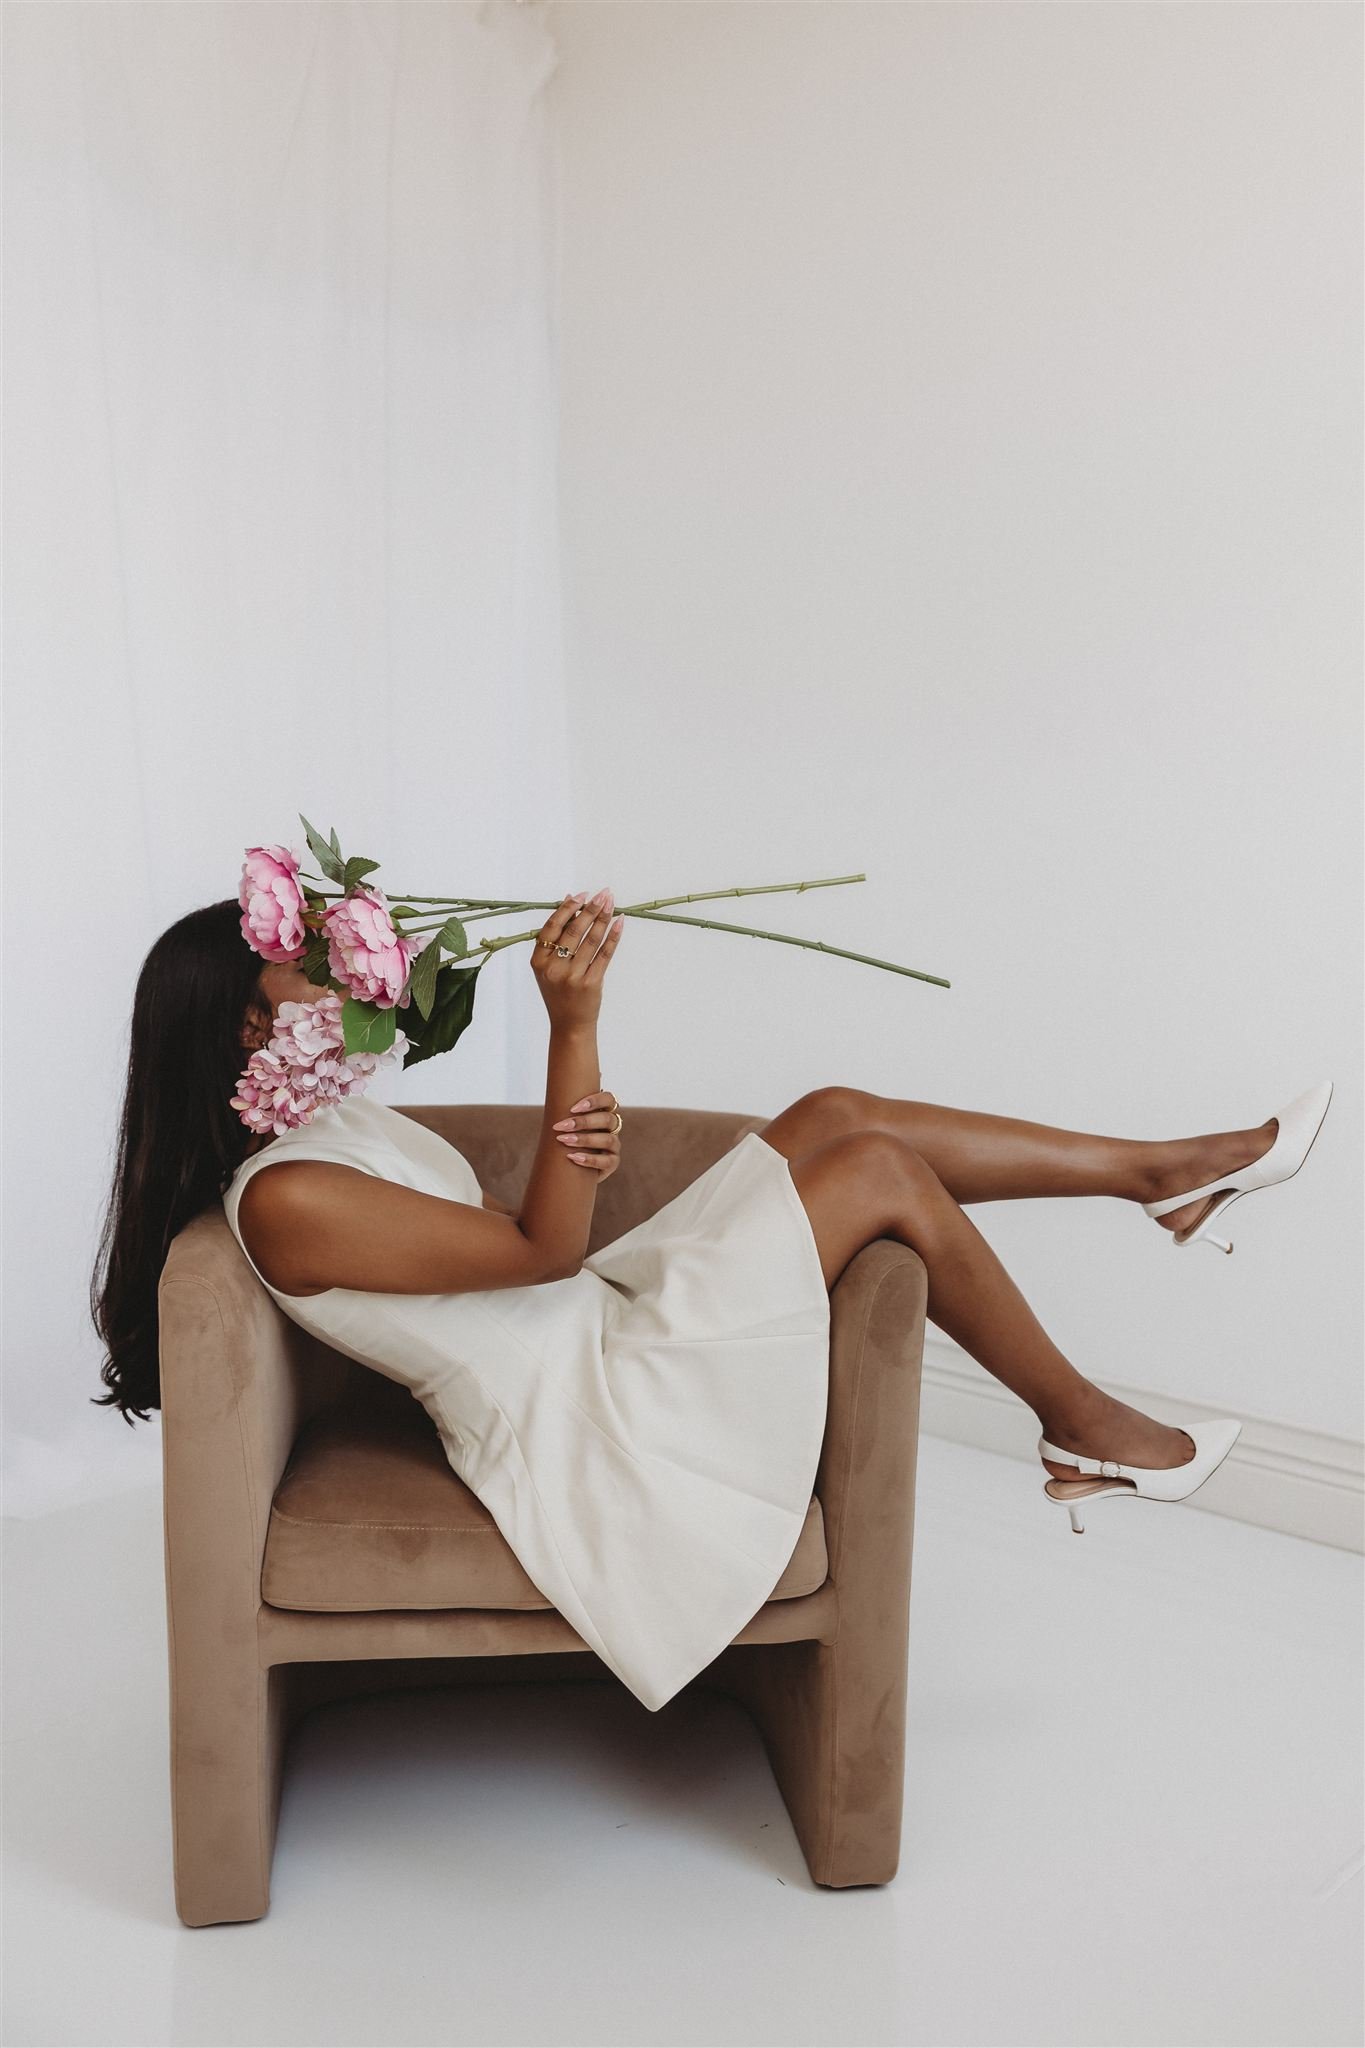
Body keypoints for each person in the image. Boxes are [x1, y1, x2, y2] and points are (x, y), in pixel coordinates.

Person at [91, 886, 1332, 1711]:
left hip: (589, 1320)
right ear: (250, 1033)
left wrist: (573, 1063)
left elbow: (531, 1246)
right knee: (878, 1169)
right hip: (589, 1396)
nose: (333, 975)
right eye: (304, 971)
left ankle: (1158, 1175)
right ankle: (1083, 1424)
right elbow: (539, 1254)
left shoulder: (333, 1121)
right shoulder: (288, 1201)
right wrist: (575, 1024)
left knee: (839, 1114)